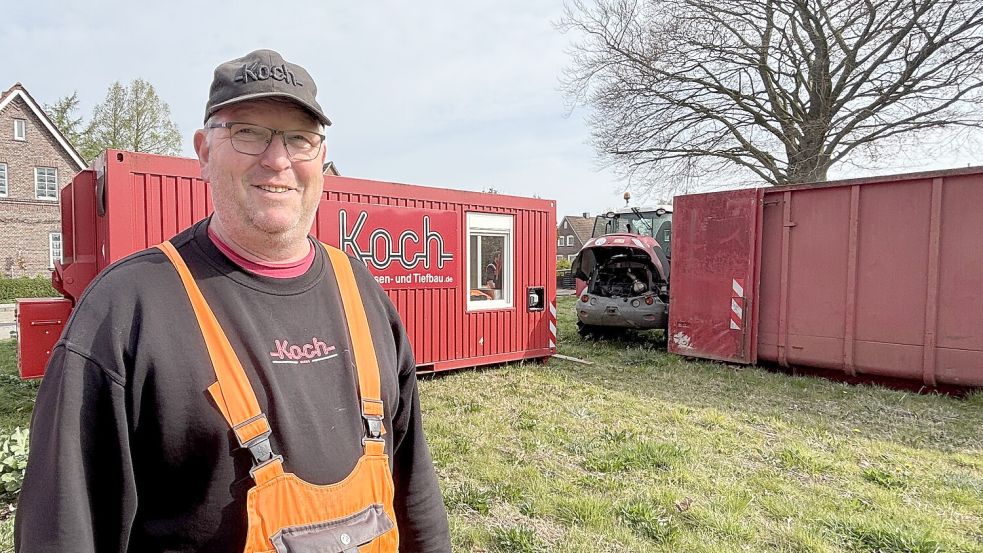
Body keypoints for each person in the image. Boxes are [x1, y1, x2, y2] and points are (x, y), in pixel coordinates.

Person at [15, 49, 450, 552]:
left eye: (300, 139)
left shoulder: (364, 293)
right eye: (248, 132)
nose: (278, 159)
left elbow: (413, 487)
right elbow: (64, 531)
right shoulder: (124, 311)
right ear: (202, 151)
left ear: (322, 160)